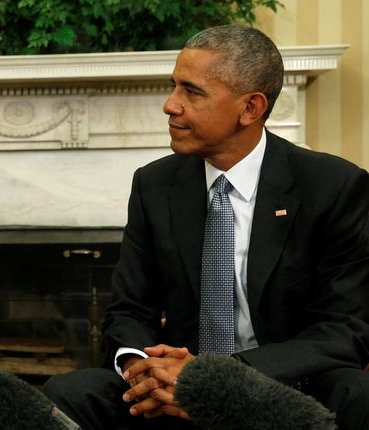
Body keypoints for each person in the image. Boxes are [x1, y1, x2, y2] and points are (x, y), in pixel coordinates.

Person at [43, 24, 369, 430]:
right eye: (174, 86)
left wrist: (215, 380)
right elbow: (130, 309)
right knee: (67, 393)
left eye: (191, 92)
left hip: (280, 386)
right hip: (170, 389)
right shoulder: (154, 184)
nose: (170, 105)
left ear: (250, 108)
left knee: (357, 393)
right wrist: (142, 368)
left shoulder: (333, 187)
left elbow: (346, 330)